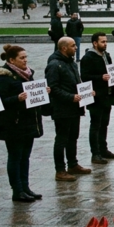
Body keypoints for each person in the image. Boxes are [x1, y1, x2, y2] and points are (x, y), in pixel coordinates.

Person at [0, 45, 44, 203]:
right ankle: (17, 189)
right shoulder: (3, 77)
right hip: (13, 123)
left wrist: (42, 92)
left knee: (25, 157)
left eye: (26, 57)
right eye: (22, 58)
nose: (25, 60)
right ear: (11, 60)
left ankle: (25, 187)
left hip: (28, 122)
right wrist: (17, 99)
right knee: (15, 156)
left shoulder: (27, 74)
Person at [46, 37, 93, 181]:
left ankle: (73, 164)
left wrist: (86, 92)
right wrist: (70, 97)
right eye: (73, 46)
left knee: (73, 137)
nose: (76, 48)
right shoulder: (55, 64)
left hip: (74, 107)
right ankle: (60, 169)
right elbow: (53, 88)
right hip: (62, 108)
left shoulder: (70, 62)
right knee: (62, 139)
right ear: (64, 48)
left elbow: (76, 82)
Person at [80, 32, 114, 164]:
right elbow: (85, 76)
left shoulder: (106, 55)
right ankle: (95, 153)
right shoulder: (88, 57)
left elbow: (110, 70)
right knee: (96, 125)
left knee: (104, 124)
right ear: (95, 43)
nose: (105, 44)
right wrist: (100, 77)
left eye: (106, 41)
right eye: (102, 42)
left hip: (107, 94)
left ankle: (103, 149)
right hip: (96, 96)